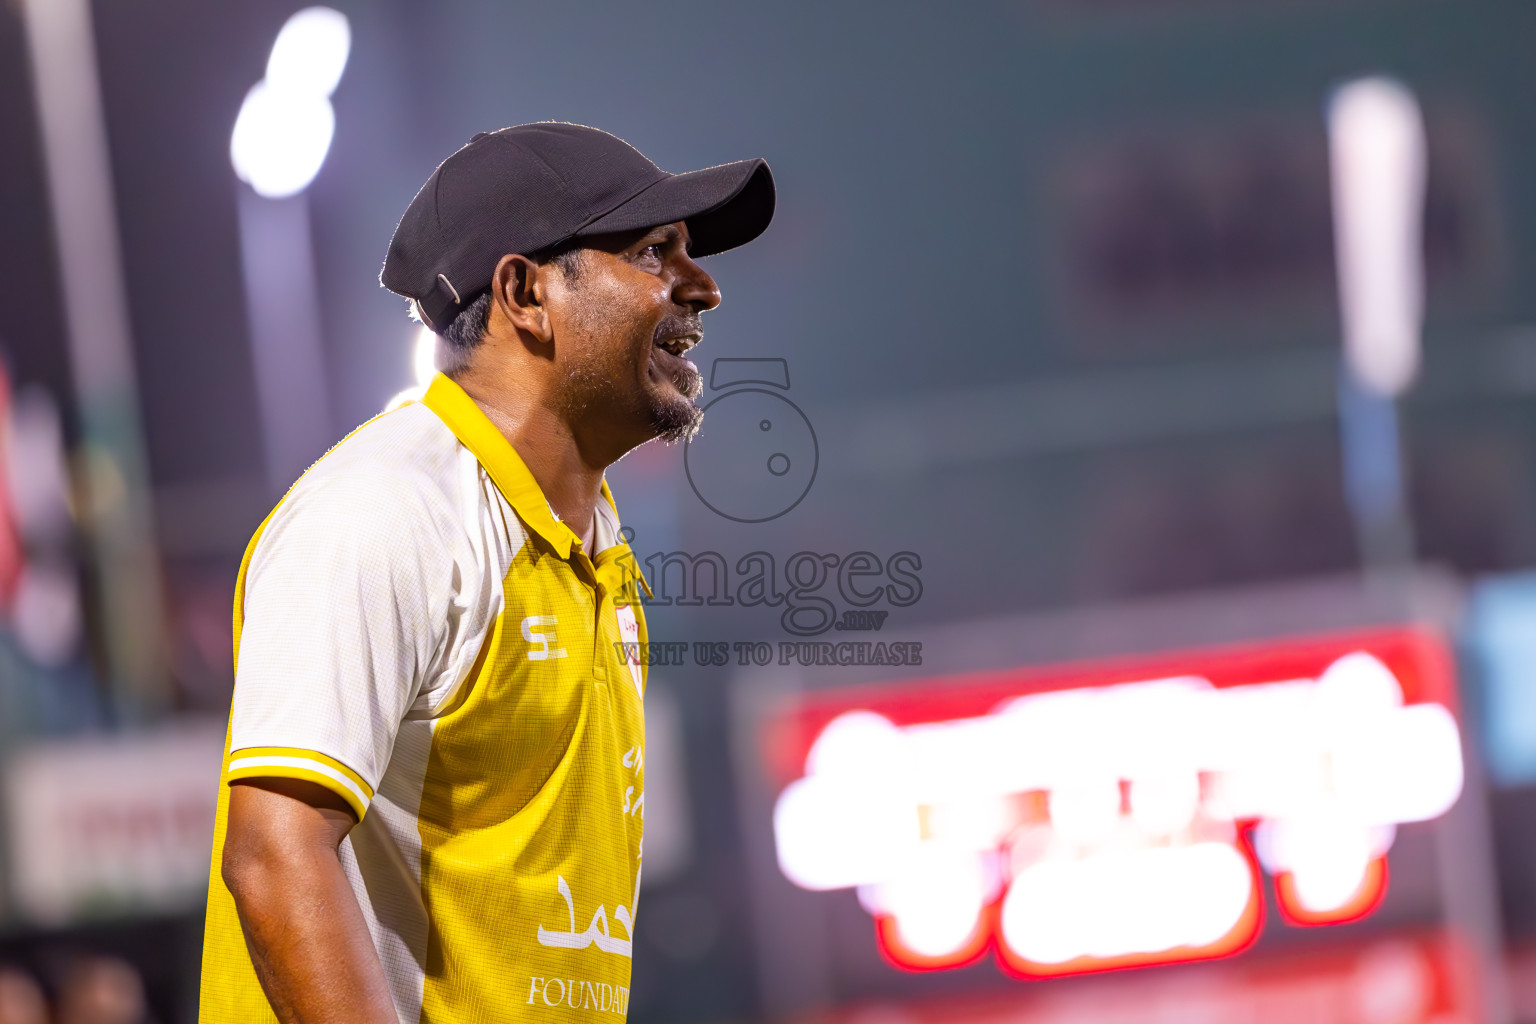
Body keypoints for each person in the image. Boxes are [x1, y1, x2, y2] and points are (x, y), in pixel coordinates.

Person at [199, 122, 774, 1023]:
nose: (699, 287)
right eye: (652, 252)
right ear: (525, 293)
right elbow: (274, 853)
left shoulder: (595, 543)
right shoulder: (383, 513)